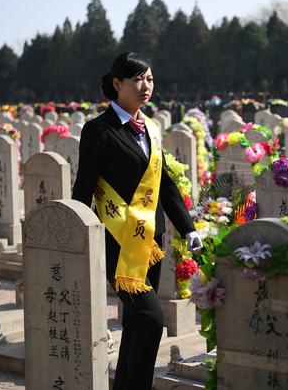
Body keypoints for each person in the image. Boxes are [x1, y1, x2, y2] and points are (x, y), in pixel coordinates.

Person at [72, 52, 202, 389]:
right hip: (118, 244)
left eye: (150, 79)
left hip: (150, 243)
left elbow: (165, 186)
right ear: (117, 84)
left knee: (134, 324)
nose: (146, 87)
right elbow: (84, 187)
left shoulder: (151, 128)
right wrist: (76, 240)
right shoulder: (98, 130)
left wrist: (189, 229)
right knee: (150, 319)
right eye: (137, 80)